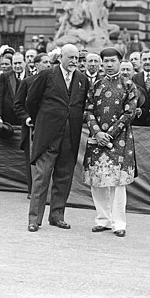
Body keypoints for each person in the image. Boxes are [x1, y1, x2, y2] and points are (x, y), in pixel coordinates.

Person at [25, 43, 89, 232]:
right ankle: (34, 219)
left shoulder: (82, 79)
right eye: (71, 58)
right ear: (61, 57)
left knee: (64, 177)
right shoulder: (47, 75)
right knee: (41, 178)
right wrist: (43, 122)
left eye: (77, 58)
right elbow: (31, 101)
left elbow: (81, 104)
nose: (74, 62)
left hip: (70, 137)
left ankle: (57, 216)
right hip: (48, 137)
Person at [83, 47, 139, 237]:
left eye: (112, 61)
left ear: (119, 62)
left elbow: (130, 112)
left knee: (117, 183)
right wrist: (97, 133)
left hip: (120, 140)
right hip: (97, 139)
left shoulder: (128, 85)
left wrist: (110, 133)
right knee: (97, 181)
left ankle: (119, 223)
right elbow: (88, 110)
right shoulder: (96, 85)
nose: (108, 65)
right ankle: (103, 219)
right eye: (105, 61)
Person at [13, 52, 52, 199]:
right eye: (45, 62)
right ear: (36, 65)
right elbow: (17, 104)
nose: (49, 65)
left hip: (49, 127)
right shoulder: (27, 82)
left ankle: (46, 192)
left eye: (50, 62)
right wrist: (27, 118)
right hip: (31, 128)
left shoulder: (55, 81)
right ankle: (32, 192)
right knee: (32, 160)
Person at [0, 52, 26, 129]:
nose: (17, 66)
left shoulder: (31, 77)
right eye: (15, 63)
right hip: (8, 119)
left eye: (20, 63)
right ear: (12, 64)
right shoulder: (4, 77)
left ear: (25, 63)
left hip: (25, 118)